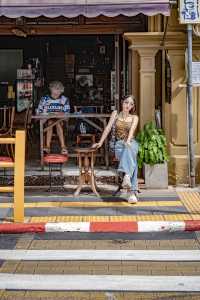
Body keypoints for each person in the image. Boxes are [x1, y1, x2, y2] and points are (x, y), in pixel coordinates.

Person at [92, 95, 139, 203]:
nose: (128, 105)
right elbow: (108, 128)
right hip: (118, 144)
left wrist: (128, 141)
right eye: (126, 102)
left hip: (131, 143)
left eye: (131, 104)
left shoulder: (134, 117)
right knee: (133, 162)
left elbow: (132, 131)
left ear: (133, 106)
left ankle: (127, 179)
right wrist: (100, 142)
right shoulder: (115, 114)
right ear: (122, 103)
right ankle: (131, 191)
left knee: (130, 148)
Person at [37, 81, 70, 154]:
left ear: (61, 91)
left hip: (60, 122)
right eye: (55, 91)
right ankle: (48, 147)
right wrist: (47, 114)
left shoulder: (64, 99)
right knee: (50, 122)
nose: (56, 93)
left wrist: (60, 114)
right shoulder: (44, 99)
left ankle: (63, 147)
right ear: (51, 90)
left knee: (57, 122)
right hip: (47, 121)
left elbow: (67, 113)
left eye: (58, 91)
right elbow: (39, 111)